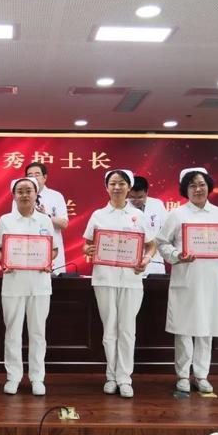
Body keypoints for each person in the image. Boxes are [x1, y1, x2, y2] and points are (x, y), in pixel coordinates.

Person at [156, 167, 218, 394]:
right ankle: (182, 375)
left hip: (211, 279)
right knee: (183, 329)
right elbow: (162, 243)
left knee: (206, 329)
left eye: (202, 184)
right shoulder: (177, 215)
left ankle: (201, 375)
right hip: (186, 277)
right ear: (185, 190)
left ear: (209, 187)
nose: (198, 189)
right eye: (192, 186)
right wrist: (177, 255)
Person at [83, 170, 156, 398]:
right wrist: (88, 249)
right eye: (113, 183)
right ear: (106, 187)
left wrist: (146, 259)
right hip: (104, 278)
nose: (117, 187)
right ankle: (111, 376)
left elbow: (151, 244)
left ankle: (125, 378)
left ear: (128, 187)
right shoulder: (98, 215)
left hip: (131, 279)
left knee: (127, 329)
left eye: (121, 183)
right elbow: (86, 244)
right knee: (110, 328)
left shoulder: (138, 215)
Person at [0, 177, 56, 396]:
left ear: (36, 194)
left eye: (29, 190)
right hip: (13, 283)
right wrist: (4, 260)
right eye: (20, 191)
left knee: (38, 333)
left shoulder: (45, 220)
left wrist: (48, 260)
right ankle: (13, 377)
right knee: (12, 332)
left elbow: (54, 249)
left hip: (39, 284)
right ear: (14, 195)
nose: (24, 195)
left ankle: (37, 378)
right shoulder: (5, 220)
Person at [13, 162, 68, 274]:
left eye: (37, 174)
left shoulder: (56, 196)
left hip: (51, 252)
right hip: (26, 252)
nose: (33, 177)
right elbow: (15, 223)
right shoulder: (20, 198)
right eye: (30, 175)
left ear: (45, 177)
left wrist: (46, 216)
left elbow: (64, 224)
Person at [128, 176, 167, 275]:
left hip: (155, 260)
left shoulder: (157, 204)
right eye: (132, 197)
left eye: (140, 197)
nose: (136, 200)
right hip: (130, 260)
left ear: (147, 193)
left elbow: (166, 229)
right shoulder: (124, 206)